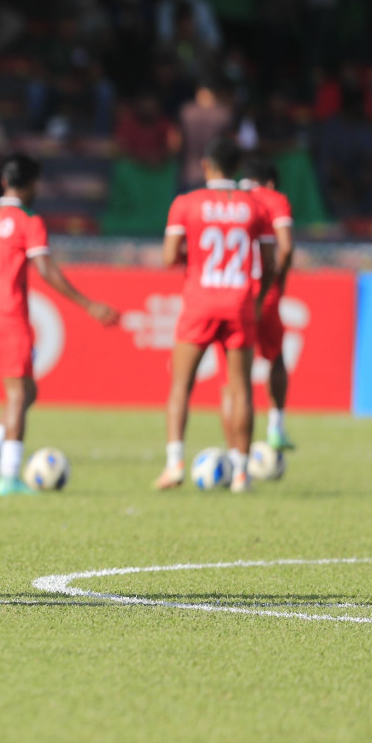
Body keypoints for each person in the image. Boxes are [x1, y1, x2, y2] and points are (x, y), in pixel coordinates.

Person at [0, 154, 119, 496]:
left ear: (4, 182)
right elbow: (45, 269)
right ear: (32, 185)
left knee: (27, 391)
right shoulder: (28, 220)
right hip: (8, 315)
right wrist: (88, 304)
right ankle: (8, 477)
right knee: (19, 394)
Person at [157, 138, 275, 493]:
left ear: (206, 166)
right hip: (239, 301)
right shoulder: (255, 207)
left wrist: (192, 259)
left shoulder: (186, 203)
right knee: (240, 389)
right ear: (237, 168)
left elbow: (167, 257)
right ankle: (241, 472)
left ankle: (174, 464)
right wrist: (258, 296)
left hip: (200, 301)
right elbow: (269, 263)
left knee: (181, 385)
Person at [234, 157, 296, 451]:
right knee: (275, 358)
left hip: (231, 290)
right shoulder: (275, 199)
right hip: (264, 290)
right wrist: (278, 281)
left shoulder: (230, 199)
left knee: (233, 373)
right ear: (270, 182)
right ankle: (276, 427)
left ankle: (235, 449)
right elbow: (286, 246)